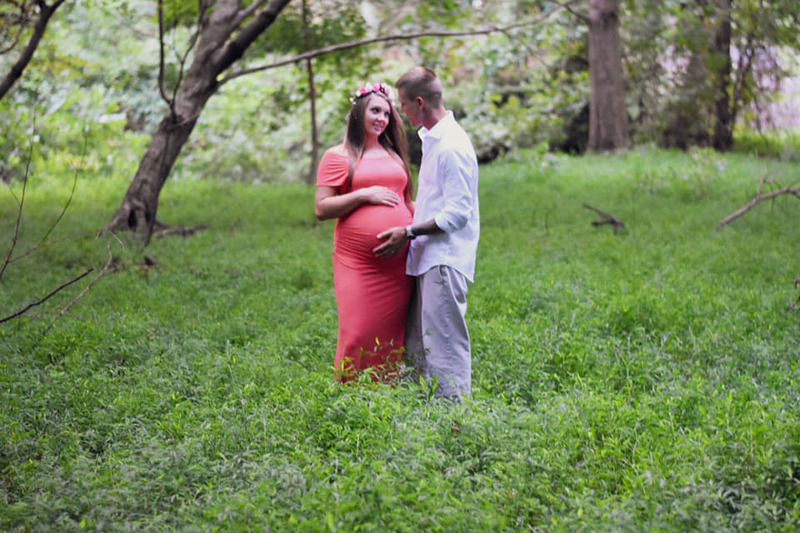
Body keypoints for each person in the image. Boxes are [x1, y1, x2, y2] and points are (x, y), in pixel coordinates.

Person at [375, 67, 480, 399]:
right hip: (427, 259)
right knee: (419, 346)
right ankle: (424, 420)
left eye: (403, 105)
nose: (401, 113)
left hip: (444, 261)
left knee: (445, 346)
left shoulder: (451, 146)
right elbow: (437, 201)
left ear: (419, 102)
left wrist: (407, 231)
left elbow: (457, 214)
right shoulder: (435, 141)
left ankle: (455, 424)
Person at [314, 81, 415, 382]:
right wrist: (363, 195)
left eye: (386, 113)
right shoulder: (338, 155)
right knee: (357, 330)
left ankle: (383, 395)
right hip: (357, 264)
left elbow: (407, 201)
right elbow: (322, 208)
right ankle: (349, 395)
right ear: (359, 112)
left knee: (390, 334)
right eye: (375, 111)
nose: (381, 119)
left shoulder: (394, 155)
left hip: (397, 265)